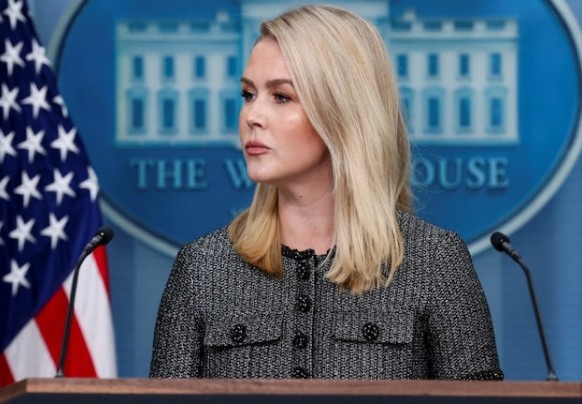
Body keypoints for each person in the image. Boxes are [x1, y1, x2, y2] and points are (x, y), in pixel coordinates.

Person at [150, 4, 503, 380]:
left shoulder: (435, 262)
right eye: (248, 94)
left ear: (343, 112)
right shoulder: (202, 267)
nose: (252, 116)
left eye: (281, 96)